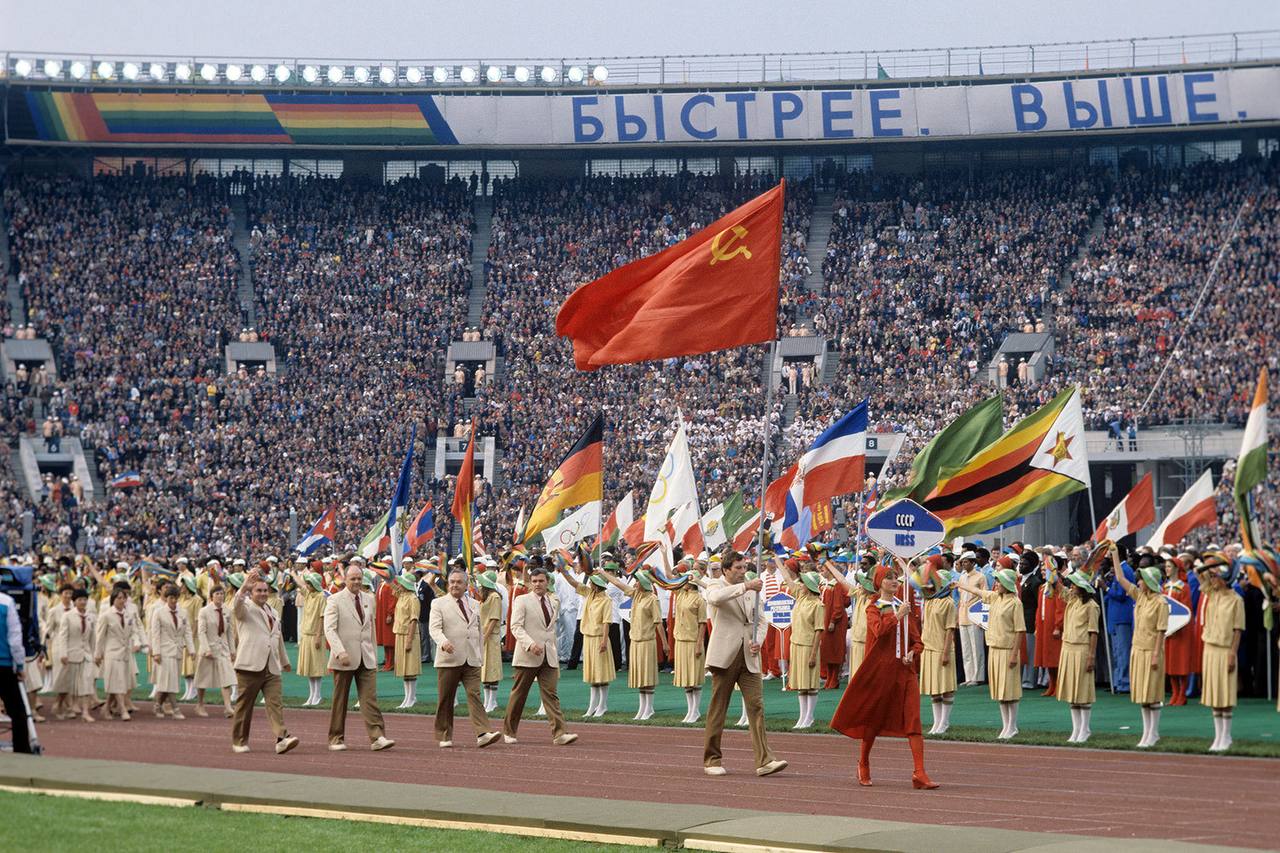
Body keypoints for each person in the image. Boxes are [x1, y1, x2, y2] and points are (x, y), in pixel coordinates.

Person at [830, 560, 938, 789]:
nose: (894, 581)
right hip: (880, 671)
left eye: (895, 577)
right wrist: (897, 616)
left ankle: (919, 772)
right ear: (879, 583)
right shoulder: (874, 608)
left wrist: (912, 652)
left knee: (913, 720)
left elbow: (918, 641)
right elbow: (879, 631)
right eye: (889, 578)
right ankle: (864, 762)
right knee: (873, 719)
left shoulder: (904, 607)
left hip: (905, 672)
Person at [702, 550, 787, 778]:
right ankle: (712, 759)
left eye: (744, 567)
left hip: (749, 655)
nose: (743, 572)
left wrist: (758, 640)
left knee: (756, 706)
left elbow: (761, 620)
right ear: (726, 569)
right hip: (724, 655)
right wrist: (746, 586)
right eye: (738, 568)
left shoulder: (752, 590)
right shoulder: (716, 584)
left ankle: (765, 761)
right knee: (719, 707)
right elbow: (715, 599)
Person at [323, 563, 395, 752]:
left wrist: (374, 653)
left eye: (359, 578)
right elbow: (329, 629)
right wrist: (340, 651)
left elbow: (370, 628)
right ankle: (336, 738)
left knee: (370, 699)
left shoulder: (369, 599)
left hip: (366, 657)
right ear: (345, 579)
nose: (356, 582)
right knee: (340, 700)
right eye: (352, 578)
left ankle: (377, 737)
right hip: (344, 658)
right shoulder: (335, 600)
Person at [428, 567, 501, 749]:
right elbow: (434, 628)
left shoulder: (475, 604)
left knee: (474, 695)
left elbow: (478, 631)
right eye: (452, 582)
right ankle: (444, 735)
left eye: (459, 582)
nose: (455, 585)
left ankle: (483, 733)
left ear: (466, 585)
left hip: (471, 658)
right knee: (446, 698)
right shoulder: (438, 603)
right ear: (448, 583)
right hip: (449, 658)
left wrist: (480, 655)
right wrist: (443, 642)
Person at [503, 566, 577, 745]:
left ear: (547, 582)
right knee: (519, 695)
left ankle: (559, 734)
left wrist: (552, 649)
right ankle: (509, 731)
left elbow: (550, 629)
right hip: (527, 656)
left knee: (551, 695)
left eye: (541, 581)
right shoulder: (522, 600)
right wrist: (530, 644)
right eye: (534, 581)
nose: (537, 584)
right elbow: (515, 626)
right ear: (530, 582)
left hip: (548, 655)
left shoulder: (553, 601)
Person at [230, 568, 299, 755]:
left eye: (264, 590)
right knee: (245, 705)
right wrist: (244, 587)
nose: (262, 594)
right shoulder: (245, 608)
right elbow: (236, 607)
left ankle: (282, 738)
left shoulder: (273, 611)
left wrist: (284, 660)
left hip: (271, 666)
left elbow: (277, 637)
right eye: (258, 591)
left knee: (275, 704)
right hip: (250, 665)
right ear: (251, 593)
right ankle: (239, 740)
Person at [957, 562, 1025, 739]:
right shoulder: (995, 597)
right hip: (994, 649)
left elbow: (1020, 630)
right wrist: (960, 584)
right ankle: (1005, 725)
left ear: (1007, 584)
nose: (996, 584)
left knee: (1010, 690)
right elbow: (978, 592)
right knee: (1000, 691)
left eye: (999, 581)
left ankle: (1012, 725)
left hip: (1007, 650)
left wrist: (1014, 654)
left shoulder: (1015, 603)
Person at [1109, 548, 1169, 748]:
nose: (1138, 582)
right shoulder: (1140, 597)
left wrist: (1156, 654)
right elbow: (1120, 578)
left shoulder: (1160, 602)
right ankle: (1146, 732)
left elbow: (1161, 631)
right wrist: (1115, 555)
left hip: (1152, 650)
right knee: (1143, 694)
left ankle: (1154, 732)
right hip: (1138, 649)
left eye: (1141, 579)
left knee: (1152, 693)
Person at [1195, 553, 1244, 752]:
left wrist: (1233, 653)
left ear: (1225, 578)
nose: (1212, 579)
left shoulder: (1236, 600)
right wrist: (1212, 566)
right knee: (1214, 693)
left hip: (1225, 650)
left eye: (1216, 576)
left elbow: (1238, 630)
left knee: (1225, 693)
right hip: (1210, 648)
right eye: (1213, 576)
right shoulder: (1211, 593)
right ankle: (1218, 736)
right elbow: (1198, 572)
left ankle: (1226, 736)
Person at [556, 558, 615, 718]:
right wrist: (564, 570)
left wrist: (604, 641)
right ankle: (592, 705)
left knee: (601, 673)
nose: (590, 583)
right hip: (588, 637)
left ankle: (602, 705)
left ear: (597, 585)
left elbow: (606, 622)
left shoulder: (606, 600)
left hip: (598, 638)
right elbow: (573, 583)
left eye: (592, 582)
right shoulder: (589, 593)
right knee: (592, 674)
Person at [1055, 570, 1100, 744]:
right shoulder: (1072, 600)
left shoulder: (1091, 606)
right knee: (1072, 692)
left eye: (1074, 584)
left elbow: (1094, 632)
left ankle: (1085, 729)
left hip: (1082, 649)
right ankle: (1076, 729)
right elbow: (1059, 588)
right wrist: (1052, 572)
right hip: (1068, 648)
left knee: (1083, 690)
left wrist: (1091, 656)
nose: (1071, 587)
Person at [919, 563, 957, 735]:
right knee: (934, 688)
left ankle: (944, 721)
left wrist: (946, 652)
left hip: (942, 648)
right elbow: (918, 582)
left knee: (945, 686)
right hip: (928, 647)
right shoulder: (930, 600)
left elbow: (950, 629)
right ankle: (936, 722)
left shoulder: (949, 603)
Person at [784, 568, 824, 729]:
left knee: (810, 682)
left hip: (809, 646)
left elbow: (819, 630)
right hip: (796, 644)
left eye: (803, 583)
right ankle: (802, 716)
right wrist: (777, 559)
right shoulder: (800, 597)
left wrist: (813, 654)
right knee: (801, 682)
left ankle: (809, 716)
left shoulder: (818, 605)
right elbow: (788, 579)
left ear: (809, 586)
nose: (800, 585)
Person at [148, 584, 190, 719]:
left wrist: (192, 649)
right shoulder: (158, 612)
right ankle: (176, 709)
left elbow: (187, 632)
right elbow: (155, 634)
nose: (174, 600)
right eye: (171, 598)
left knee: (169, 682)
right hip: (164, 652)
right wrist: (156, 652)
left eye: (176, 598)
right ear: (166, 598)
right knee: (169, 681)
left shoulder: (183, 613)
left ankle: (157, 705)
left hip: (177, 651)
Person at [193, 586, 235, 718]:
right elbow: (201, 632)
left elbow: (230, 633)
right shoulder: (204, 611)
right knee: (203, 679)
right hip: (208, 649)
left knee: (227, 678)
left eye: (222, 593)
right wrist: (206, 649)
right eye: (217, 593)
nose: (220, 596)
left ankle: (228, 707)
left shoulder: (228, 611)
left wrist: (232, 650)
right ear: (211, 596)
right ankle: (200, 704)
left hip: (223, 649)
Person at [671, 571, 707, 724]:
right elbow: (669, 578)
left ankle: (695, 710)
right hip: (680, 640)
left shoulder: (699, 599)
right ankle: (690, 710)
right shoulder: (681, 594)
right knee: (686, 677)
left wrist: (699, 644)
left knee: (694, 677)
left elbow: (702, 623)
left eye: (685, 579)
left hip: (693, 641)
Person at [0, 586, 33, 752]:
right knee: (18, 712)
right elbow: (14, 638)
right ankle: (21, 750)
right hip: (4, 665)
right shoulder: (6, 602)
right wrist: (20, 665)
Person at [56, 589, 96, 722]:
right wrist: (63, 653)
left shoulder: (90, 617)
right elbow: (63, 636)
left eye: (85, 599)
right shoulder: (67, 616)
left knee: (86, 682)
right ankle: (59, 705)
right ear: (74, 601)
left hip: (86, 655)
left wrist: (94, 654)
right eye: (80, 600)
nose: (83, 602)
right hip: (71, 654)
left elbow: (92, 637)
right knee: (68, 685)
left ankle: (85, 712)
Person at [293, 568, 328, 707]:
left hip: (315, 635)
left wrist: (319, 635)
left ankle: (317, 695)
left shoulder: (321, 596)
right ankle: (311, 694)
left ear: (315, 584)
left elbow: (322, 617)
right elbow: (300, 583)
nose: (307, 586)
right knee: (308, 667)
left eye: (309, 583)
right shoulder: (308, 594)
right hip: (306, 634)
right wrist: (293, 573)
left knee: (316, 667)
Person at [391, 572, 422, 708]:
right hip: (399, 633)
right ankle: (407, 697)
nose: (399, 585)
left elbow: (414, 620)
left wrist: (409, 640)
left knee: (410, 667)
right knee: (404, 668)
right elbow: (393, 587)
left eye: (401, 583)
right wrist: (387, 577)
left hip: (409, 634)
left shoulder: (413, 599)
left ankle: (412, 697)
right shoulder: (402, 595)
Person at [956, 553, 986, 685]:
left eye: (966, 562)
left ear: (973, 563)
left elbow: (985, 597)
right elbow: (960, 598)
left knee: (976, 648)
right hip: (963, 615)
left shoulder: (980, 577)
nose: (964, 564)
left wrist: (982, 618)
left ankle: (978, 677)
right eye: (962, 562)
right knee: (966, 648)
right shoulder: (962, 577)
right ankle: (968, 677)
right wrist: (957, 617)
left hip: (975, 616)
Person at [478, 570, 503, 713]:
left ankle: (492, 701)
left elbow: (494, 619)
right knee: (484, 669)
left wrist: (485, 637)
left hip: (491, 636)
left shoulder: (495, 597)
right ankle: (487, 700)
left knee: (492, 668)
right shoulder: (486, 597)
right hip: (483, 634)